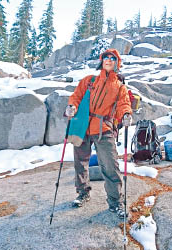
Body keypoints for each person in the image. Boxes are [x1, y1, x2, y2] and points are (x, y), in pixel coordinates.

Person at [65, 49, 132, 219]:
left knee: (110, 165)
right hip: (83, 126)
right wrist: (72, 106)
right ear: (101, 61)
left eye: (112, 58)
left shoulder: (119, 86)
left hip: (104, 129)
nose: (108, 60)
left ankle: (115, 202)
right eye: (105, 57)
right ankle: (83, 193)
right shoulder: (89, 80)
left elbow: (124, 104)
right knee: (80, 163)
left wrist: (126, 114)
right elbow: (76, 96)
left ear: (117, 63)